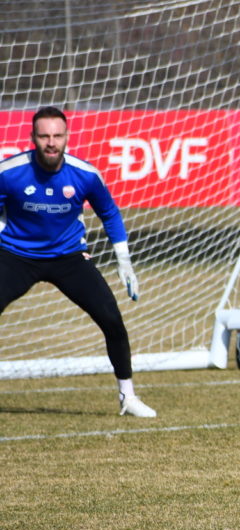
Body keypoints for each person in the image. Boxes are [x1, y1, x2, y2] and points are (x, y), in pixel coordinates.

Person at [0, 106, 155, 417]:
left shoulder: (85, 174)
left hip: (69, 257)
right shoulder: (9, 172)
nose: (51, 142)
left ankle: (128, 397)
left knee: (112, 319)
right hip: (16, 255)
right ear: (32, 137)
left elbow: (109, 213)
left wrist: (124, 261)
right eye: (44, 136)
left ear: (67, 136)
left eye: (57, 135)